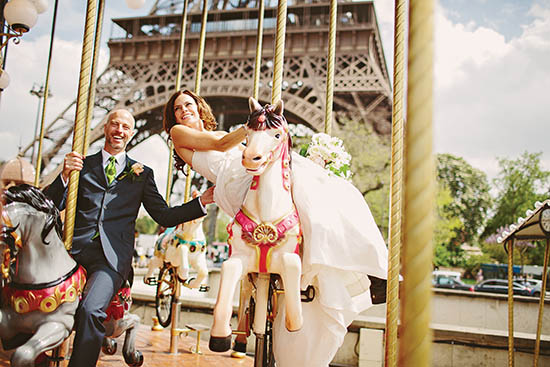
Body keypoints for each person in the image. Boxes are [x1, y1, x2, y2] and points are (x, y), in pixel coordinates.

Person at [164, 90, 389, 367]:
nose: (184, 110)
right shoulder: (178, 134)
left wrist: (264, 133)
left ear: (199, 108)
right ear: (173, 116)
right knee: (303, 178)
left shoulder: (221, 131)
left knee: (326, 184)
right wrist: (255, 124)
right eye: (178, 108)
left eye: (189, 104)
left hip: (255, 167)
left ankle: (361, 263)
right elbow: (222, 145)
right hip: (234, 180)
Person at [44, 108, 214, 367]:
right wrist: (64, 176)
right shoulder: (82, 165)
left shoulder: (141, 173)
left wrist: (199, 202)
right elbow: (49, 205)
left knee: (91, 311)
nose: (119, 131)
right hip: (72, 251)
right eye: (115, 124)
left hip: (110, 258)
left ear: (131, 133)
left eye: (125, 127)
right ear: (105, 128)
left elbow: (164, 216)